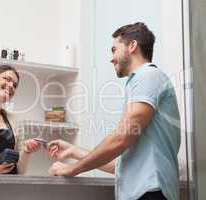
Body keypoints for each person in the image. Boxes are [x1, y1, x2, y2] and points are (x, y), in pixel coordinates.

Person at [47, 22, 181, 200]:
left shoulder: (148, 76)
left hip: (152, 195)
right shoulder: (139, 83)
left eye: (114, 49)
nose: (111, 58)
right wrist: (73, 151)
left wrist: (72, 169)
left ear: (132, 46)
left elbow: (121, 138)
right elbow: (120, 165)